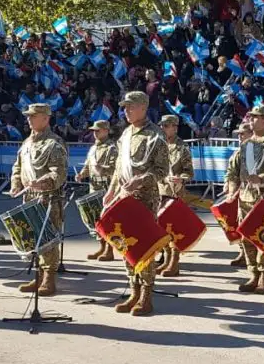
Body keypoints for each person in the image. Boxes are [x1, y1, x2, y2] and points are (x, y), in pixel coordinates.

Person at [106, 91, 170, 316]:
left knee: (144, 245)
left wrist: (142, 179)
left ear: (143, 107)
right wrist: (112, 190)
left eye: (130, 107)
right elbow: (118, 167)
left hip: (145, 198)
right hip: (125, 197)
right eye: (124, 107)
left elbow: (163, 171)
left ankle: (146, 296)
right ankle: (133, 290)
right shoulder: (126, 133)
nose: (126, 111)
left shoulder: (155, 136)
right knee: (126, 244)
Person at [224, 104, 264, 295]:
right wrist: (232, 189)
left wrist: (261, 178)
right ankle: (252, 273)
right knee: (246, 237)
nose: (250, 120)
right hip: (244, 198)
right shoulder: (246, 145)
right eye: (250, 117)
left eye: (255, 117)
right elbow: (233, 171)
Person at [9, 103, 69, 296]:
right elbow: (17, 167)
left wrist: (42, 183)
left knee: (48, 240)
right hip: (29, 197)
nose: (29, 119)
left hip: (47, 198)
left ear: (46, 118)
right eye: (28, 116)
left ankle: (49, 280)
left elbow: (58, 174)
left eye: (34, 116)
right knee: (34, 239)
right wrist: (15, 184)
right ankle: (37, 277)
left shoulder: (54, 143)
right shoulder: (27, 143)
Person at [157, 114, 195, 278]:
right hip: (159, 191)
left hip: (175, 193)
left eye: (166, 126)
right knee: (162, 227)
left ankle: (174, 262)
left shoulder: (182, 148)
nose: (163, 129)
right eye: (162, 126)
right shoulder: (159, 146)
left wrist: (182, 178)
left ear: (175, 127)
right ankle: (166, 258)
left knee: (174, 229)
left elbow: (189, 172)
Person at [77, 118, 119, 261]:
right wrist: (82, 174)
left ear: (106, 131)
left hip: (106, 186)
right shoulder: (93, 148)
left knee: (108, 218)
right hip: (93, 186)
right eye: (94, 131)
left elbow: (116, 169)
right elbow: (88, 165)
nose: (95, 133)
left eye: (98, 131)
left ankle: (109, 249)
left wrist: (102, 169)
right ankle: (101, 246)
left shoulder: (112, 148)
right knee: (96, 218)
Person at [228, 121, 253, 268]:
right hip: (243, 194)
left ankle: (261, 266)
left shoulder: (261, 150)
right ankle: (244, 255)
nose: (240, 137)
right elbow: (231, 172)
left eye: (243, 134)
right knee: (241, 226)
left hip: (259, 197)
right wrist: (230, 188)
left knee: (257, 229)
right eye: (239, 134)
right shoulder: (239, 152)